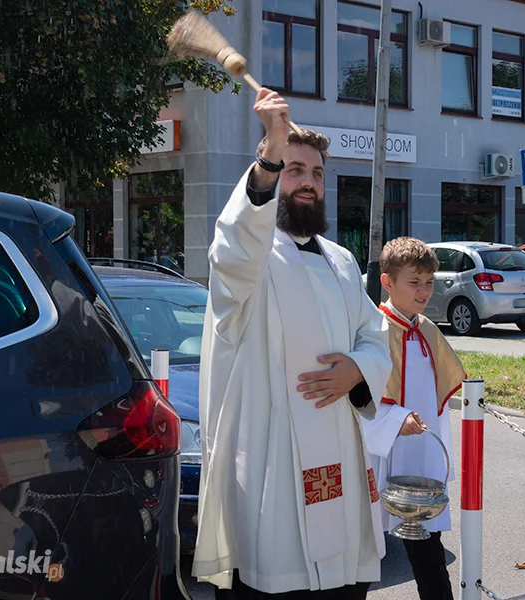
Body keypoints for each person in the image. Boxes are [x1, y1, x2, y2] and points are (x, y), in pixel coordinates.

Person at [194, 87, 393, 599]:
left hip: (341, 473)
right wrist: (270, 153)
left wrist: (358, 370)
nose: (308, 183)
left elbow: (375, 334)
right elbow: (235, 245)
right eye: (295, 170)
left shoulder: (341, 260)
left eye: (317, 173)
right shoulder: (251, 261)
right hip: (272, 474)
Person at [362, 237, 466, 600]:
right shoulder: (371, 329)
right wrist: (394, 422)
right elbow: (360, 398)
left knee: (429, 554)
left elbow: (436, 399)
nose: (424, 291)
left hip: (420, 457)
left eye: (429, 282)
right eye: (414, 282)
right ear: (387, 281)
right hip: (378, 455)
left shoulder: (427, 329)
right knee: (363, 554)